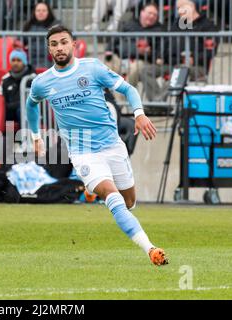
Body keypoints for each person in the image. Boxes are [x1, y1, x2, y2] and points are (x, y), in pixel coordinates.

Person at [26, 25, 168, 266]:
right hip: (83, 154)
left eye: (63, 42)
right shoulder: (43, 82)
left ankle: (115, 207)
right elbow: (31, 104)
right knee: (113, 197)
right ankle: (151, 249)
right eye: (54, 44)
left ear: (73, 44)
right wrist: (35, 135)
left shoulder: (92, 68)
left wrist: (139, 114)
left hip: (112, 146)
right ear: (49, 49)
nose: (59, 47)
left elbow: (128, 88)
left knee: (129, 202)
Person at [140, 0, 219, 101]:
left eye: (181, 8)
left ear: (192, 6)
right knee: (146, 70)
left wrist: (194, 59)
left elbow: (210, 51)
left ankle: (157, 103)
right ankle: (158, 104)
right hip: (172, 64)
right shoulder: (177, 24)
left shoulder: (207, 26)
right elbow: (166, 43)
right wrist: (160, 56)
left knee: (178, 73)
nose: (179, 12)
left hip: (196, 67)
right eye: (177, 9)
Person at [105, 2, 165, 88]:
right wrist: (109, 50)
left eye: (155, 15)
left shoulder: (159, 30)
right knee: (106, 65)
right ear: (142, 12)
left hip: (141, 60)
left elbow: (159, 52)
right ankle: (112, 98)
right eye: (150, 13)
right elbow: (115, 40)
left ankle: (127, 96)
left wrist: (149, 52)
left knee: (135, 68)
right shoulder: (129, 24)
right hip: (121, 57)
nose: (152, 16)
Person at [0, 50, 36, 124]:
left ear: (24, 62)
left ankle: (25, 135)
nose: (15, 63)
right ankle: (10, 135)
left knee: (21, 110)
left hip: (27, 110)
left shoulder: (32, 78)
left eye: (19, 60)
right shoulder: (5, 79)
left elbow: (31, 101)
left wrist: (11, 106)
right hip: (11, 110)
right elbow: (2, 100)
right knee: (5, 112)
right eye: (13, 60)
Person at [23, 2, 61, 69]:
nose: (41, 12)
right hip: (29, 60)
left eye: (44, 10)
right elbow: (21, 41)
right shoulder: (28, 25)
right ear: (34, 12)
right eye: (38, 10)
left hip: (49, 60)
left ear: (48, 12)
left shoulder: (56, 25)